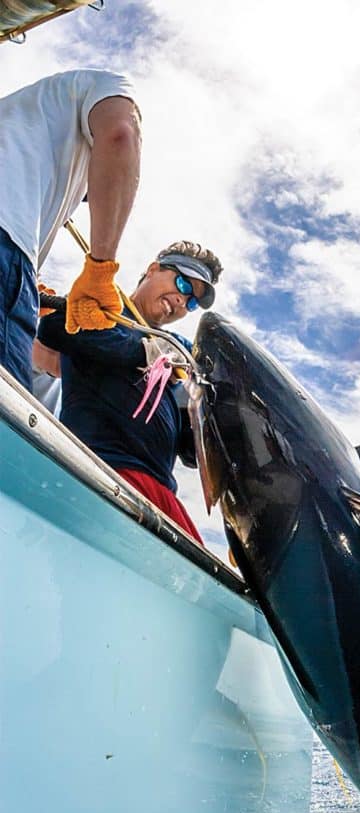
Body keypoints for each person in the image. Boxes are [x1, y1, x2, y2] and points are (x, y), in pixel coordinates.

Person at [37, 242, 223, 543]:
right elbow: (55, 325)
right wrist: (147, 351)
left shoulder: (179, 352)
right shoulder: (106, 307)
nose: (181, 300)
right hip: (99, 471)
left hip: (161, 495)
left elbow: (190, 452)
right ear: (153, 269)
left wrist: (204, 415)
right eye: (182, 283)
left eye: (191, 303)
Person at [0, 68, 141, 391]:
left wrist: (29, 295)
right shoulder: (108, 84)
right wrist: (100, 270)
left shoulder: (21, 117)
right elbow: (121, 134)